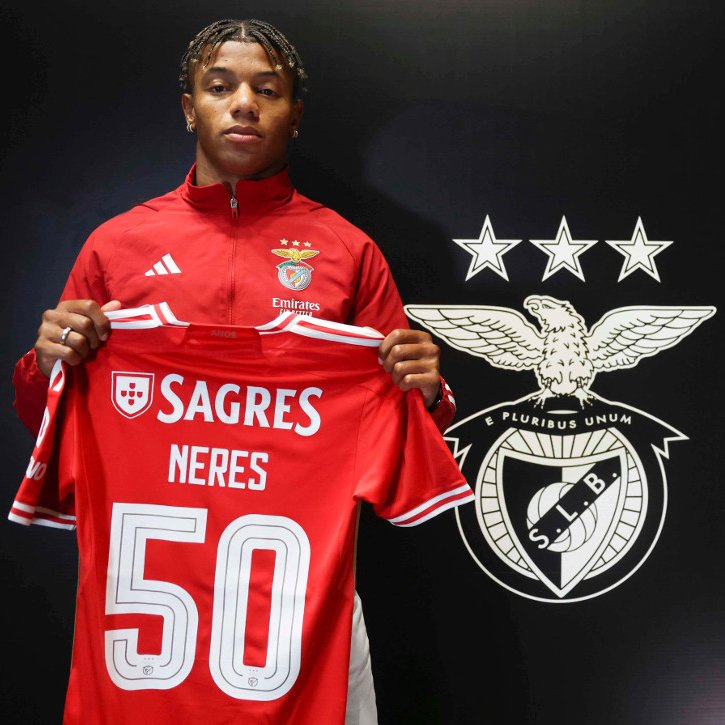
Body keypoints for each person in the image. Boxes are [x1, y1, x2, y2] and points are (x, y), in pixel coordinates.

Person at [11, 18, 456, 725]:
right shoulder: (117, 246)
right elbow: (56, 422)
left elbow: (404, 436)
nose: (243, 103)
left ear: (294, 114)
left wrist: (426, 391)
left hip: (301, 622)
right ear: (190, 108)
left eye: (267, 90)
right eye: (220, 87)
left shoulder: (349, 252)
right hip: (144, 623)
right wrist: (45, 365)